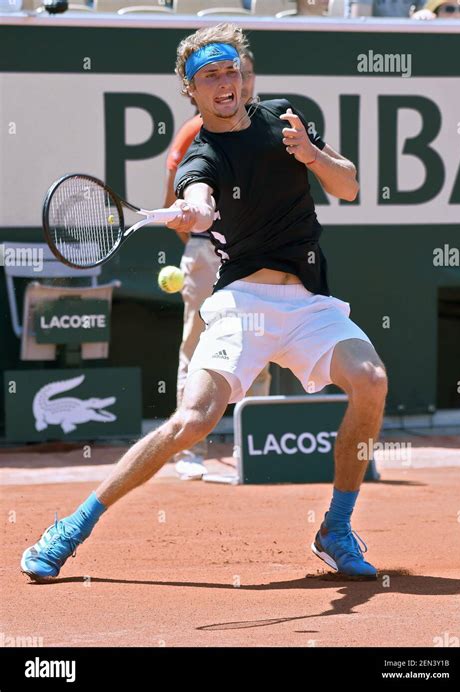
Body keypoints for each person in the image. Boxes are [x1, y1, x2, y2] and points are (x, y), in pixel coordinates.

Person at [21, 22, 388, 583]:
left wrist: (312, 154)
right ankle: (72, 526)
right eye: (209, 76)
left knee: (371, 380)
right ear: (190, 90)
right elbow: (200, 198)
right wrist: (194, 208)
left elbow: (350, 186)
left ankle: (335, 529)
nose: (225, 83)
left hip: (310, 305)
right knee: (191, 421)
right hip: (243, 306)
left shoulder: (285, 118)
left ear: (245, 77)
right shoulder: (202, 155)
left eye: (231, 72)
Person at [163, 50, 271, 481]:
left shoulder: (268, 125)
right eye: (221, 74)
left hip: (257, 257)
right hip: (209, 254)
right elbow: (176, 203)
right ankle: (188, 450)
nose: (234, 82)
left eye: (241, 72)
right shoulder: (196, 132)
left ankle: (257, 446)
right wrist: (201, 239)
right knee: (197, 349)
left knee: (262, 346)